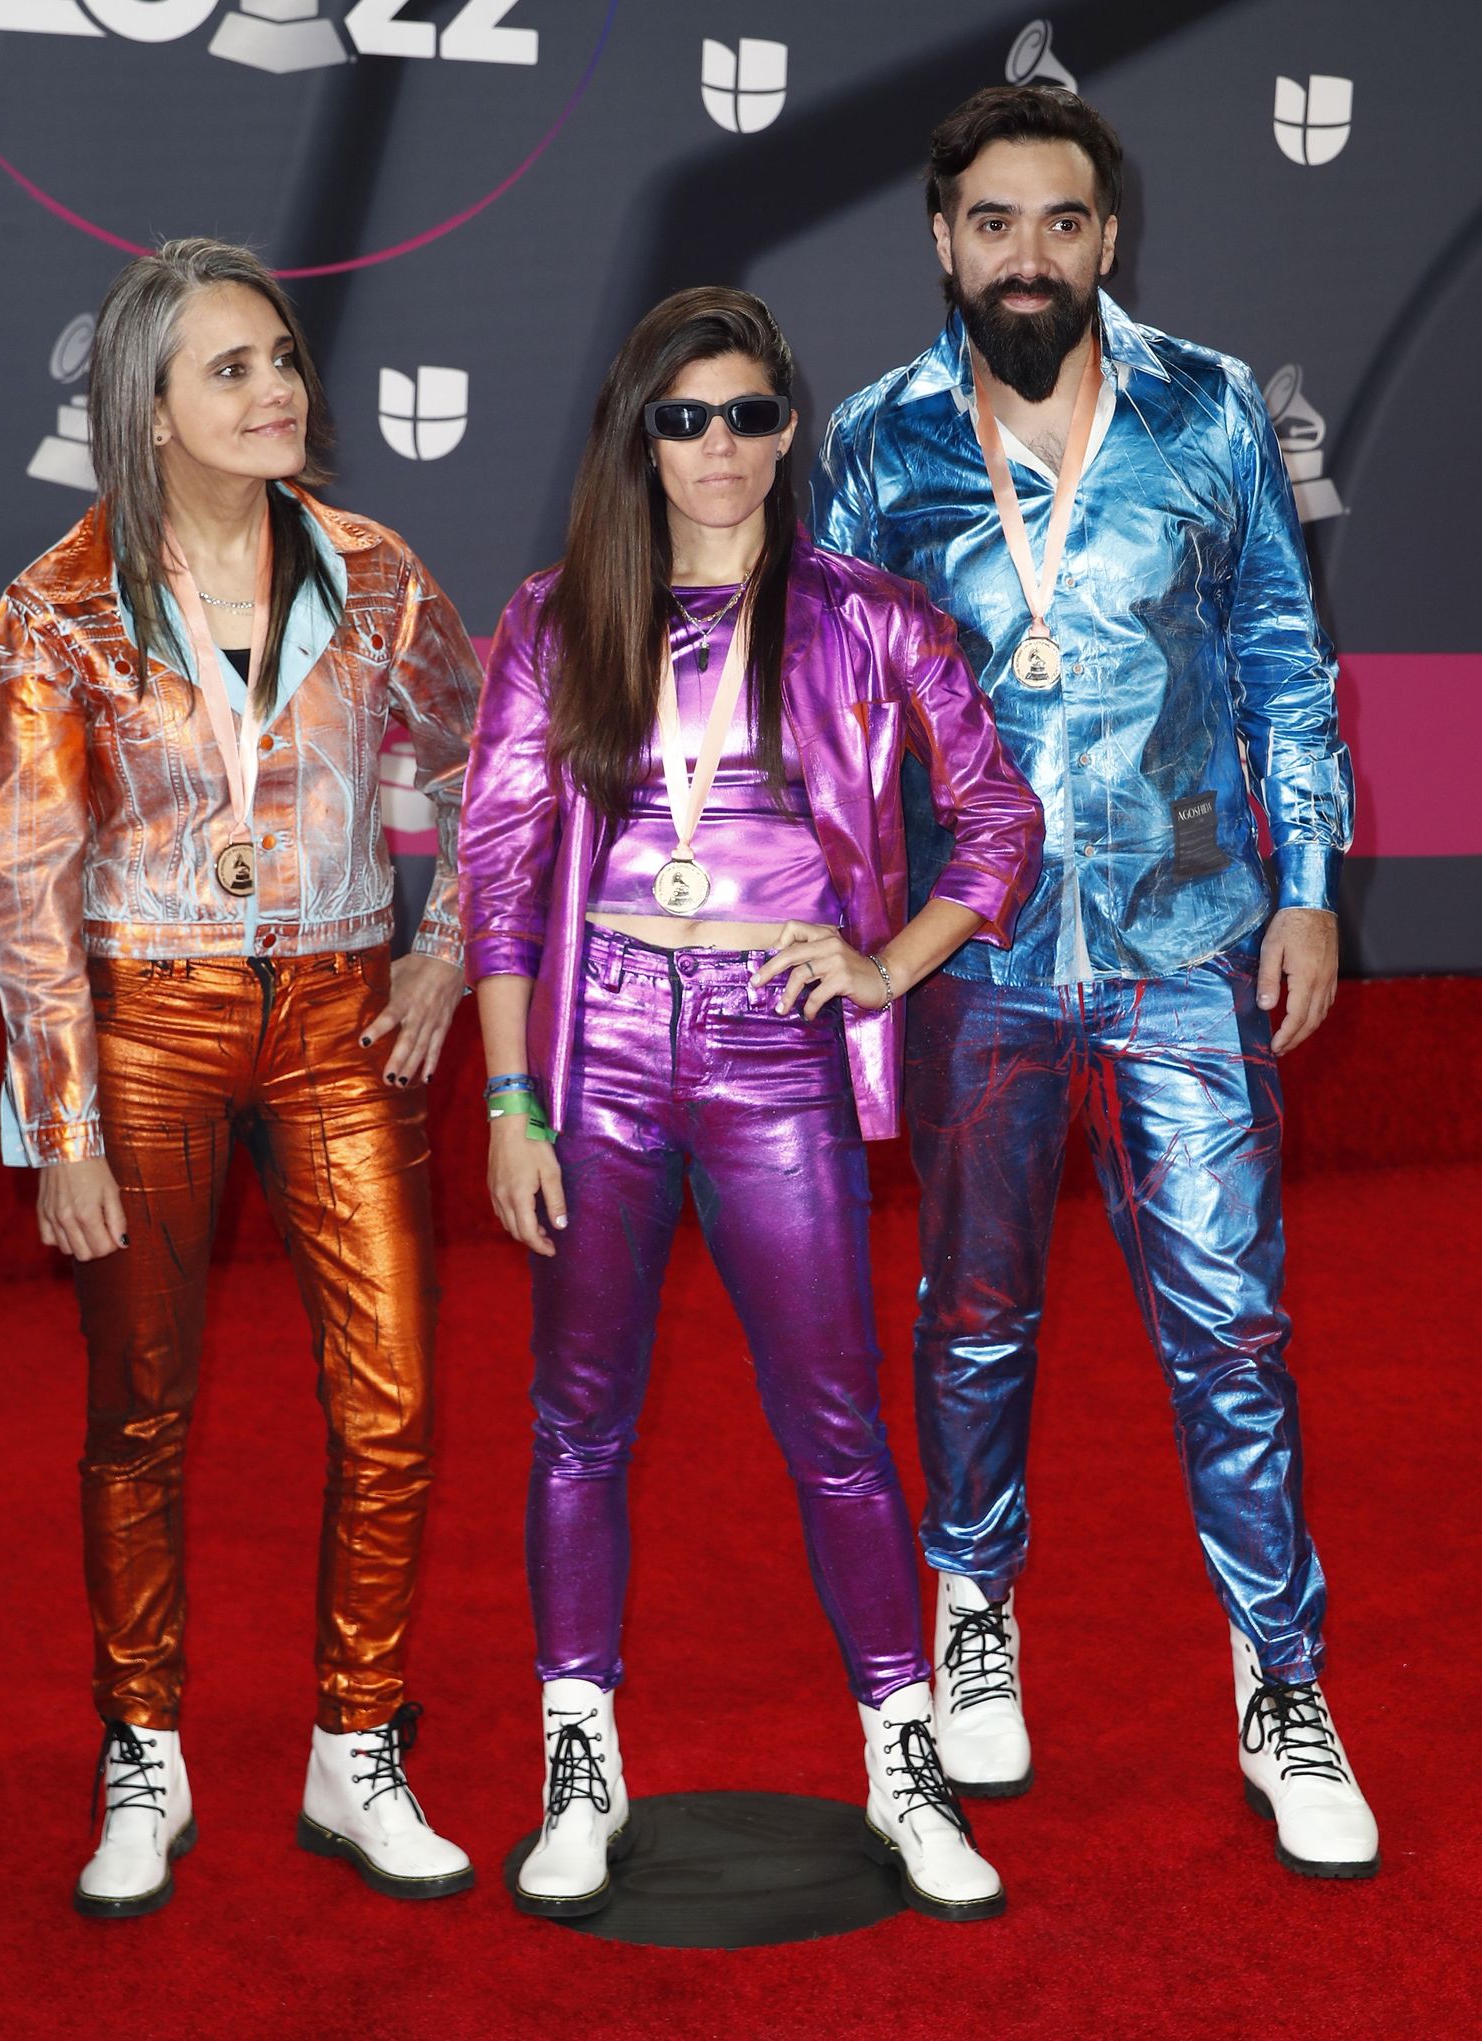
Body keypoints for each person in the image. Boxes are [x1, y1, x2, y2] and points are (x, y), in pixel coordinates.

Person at [812, 86, 1378, 1879]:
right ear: (942, 240)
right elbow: (828, 721)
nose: (1028, 256)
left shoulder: (1207, 405)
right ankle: (973, 1599)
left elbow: (1285, 654)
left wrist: (1312, 887)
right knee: (974, 1308)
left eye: (1061, 222)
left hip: (1194, 945)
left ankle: (1280, 1680)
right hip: (972, 961)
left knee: (1233, 1324)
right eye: (993, 224)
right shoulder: (881, 441)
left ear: (1107, 237)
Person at [460, 286, 1043, 1923]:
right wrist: (513, 1095)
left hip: (779, 1044)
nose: (718, 448)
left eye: (745, 414)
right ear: (639, 442)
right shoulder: (559, 614)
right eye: (683, 418)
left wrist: (884, 961)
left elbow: (999, 817)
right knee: (580, 1414)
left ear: (790, 429)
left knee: (838, 1427)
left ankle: (901, 1750)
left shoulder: (868, 614)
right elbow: (499, 875)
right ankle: (582, 1746)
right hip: (602, 1050)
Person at [0, 239, 479, 1917]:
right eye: (231, 370)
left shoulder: (382, 571)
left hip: (344, 1011)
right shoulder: (56, 607)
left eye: (281, 358)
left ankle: (359, 1742)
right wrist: (61, 1118)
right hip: (147, 1022)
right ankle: (144, 1749)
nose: (278, 392)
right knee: (139, 1413)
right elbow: (26, 881)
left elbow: (487, 764)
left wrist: (447, 944)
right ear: (150, 406)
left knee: (395, 1398)